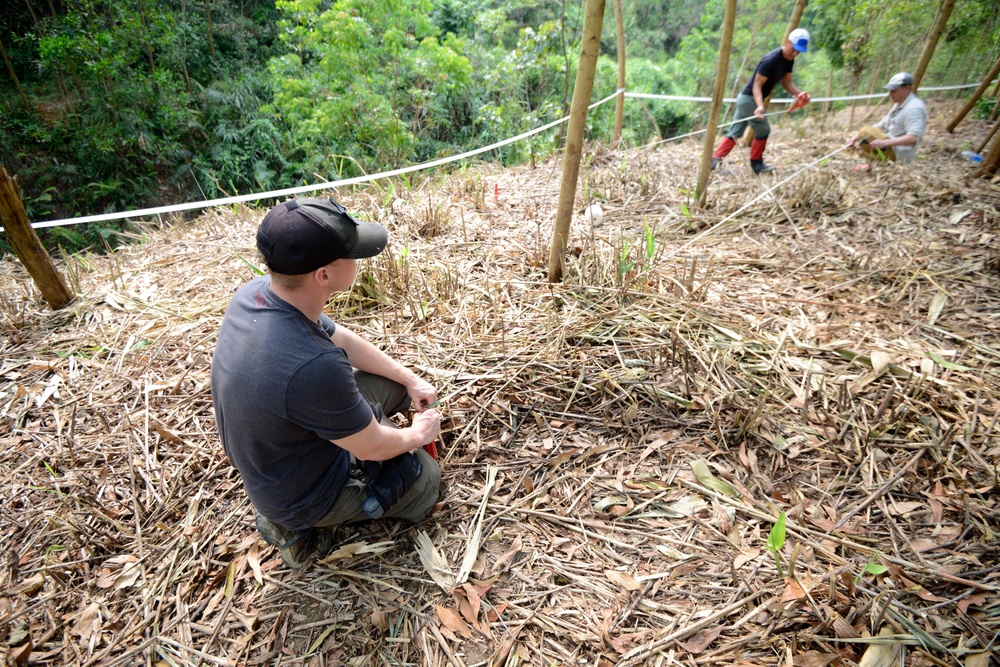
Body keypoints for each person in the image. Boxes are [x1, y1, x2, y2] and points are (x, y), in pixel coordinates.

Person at [211, 197, 442, 569]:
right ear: (323, 274)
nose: (359, 260)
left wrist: (408, 379)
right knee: (426, 482)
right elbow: (372, 448)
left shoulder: (256, 295)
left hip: (279, 446)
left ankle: (358, 432)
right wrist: (418, 434)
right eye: (352, 253)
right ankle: (293, 526)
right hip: (300, 492)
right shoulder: (312, 365)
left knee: (392, 388)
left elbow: (344, 341)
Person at [712, 28, 812, 174]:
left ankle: (714, 162)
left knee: (736, 131)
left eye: (799, 51)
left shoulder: (789, 60)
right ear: (787, 42)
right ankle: (757, 165)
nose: (795, 53)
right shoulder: (770, 59)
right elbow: (756, 85)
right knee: (764, 130)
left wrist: (800, 94)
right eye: (794, 49)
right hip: (748, 99)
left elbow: (787, 83)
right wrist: (759, 106)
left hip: (746, 99)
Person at [846, 72, 928, 165]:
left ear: (906, 88)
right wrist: (856, 137)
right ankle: (873, 162)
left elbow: (913, 138)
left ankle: (880, 162)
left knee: (865, 131)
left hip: (898, 154)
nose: (889, 94)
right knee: (864, 133)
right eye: (889, 90)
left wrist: (885, 143)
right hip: (890, 146)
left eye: (893, 91)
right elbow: (881, 125)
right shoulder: (899, 104)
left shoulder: (914, 108)